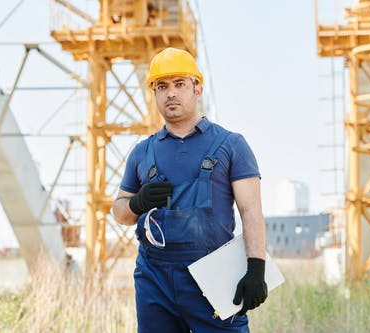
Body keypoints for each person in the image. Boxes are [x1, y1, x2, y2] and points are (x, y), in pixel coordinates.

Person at [113, 47, 267, 332]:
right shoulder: (141, 153)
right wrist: (136, 203)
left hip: (213, 275)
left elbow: (251, 210)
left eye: (179, 84)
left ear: (197, 88)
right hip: (154, 278)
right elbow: (120, 212)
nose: (171, 93)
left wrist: (256, 268)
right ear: (155, 94)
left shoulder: (231, 145)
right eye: (162, 86)